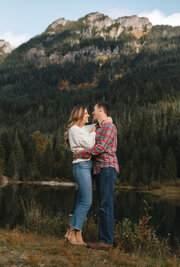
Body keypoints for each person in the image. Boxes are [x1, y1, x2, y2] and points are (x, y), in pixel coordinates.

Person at [64, 105, 112, 245]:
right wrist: (93, 133)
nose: (88, 115)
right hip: (81, 166)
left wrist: (108, 119)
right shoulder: (74, 130)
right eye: (85, 113)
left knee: (81, 201)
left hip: (87, 166)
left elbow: (96, 125)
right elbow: (90, 144)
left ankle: (78, 235)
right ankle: (71, 231)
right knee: (87, 201)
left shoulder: (80, 129)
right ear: (79, 115)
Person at [74, 102, 119, 250]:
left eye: (93, 110)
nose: (92, 113)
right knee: (97, 203)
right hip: (98, 169)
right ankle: (100, 239)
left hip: (107, 167)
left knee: (106, 204)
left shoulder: (109, 127)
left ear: (100, 110)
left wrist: (81, 153)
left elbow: (100, 148)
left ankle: (106, 241)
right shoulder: (98, 127)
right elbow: (78, 129)